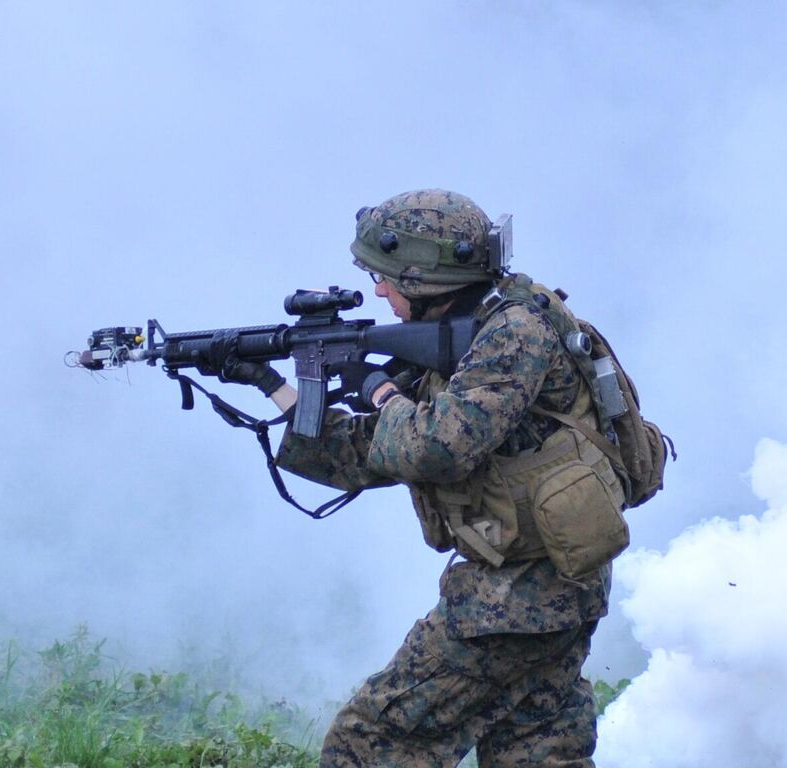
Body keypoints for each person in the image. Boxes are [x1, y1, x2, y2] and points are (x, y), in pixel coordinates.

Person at [210, 189, 633, 767]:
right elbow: (373, 453)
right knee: (537, 756)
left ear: (427, 277)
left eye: (387, 278)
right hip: (553, 587)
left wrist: (375, 389)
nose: (379, 291)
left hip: (514, 600)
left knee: (368, 746)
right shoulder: (468, 328)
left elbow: (436, 447)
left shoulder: (512, 334)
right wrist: (272, 386)